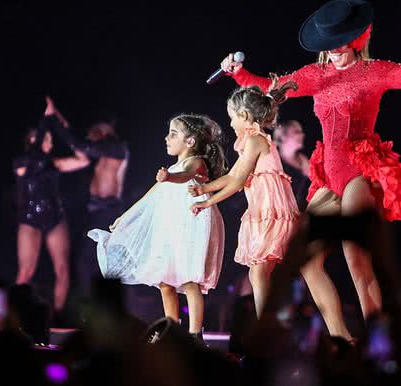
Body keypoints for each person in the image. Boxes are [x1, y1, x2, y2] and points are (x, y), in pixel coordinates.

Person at [219, 0, 401, 339]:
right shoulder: (314, 76)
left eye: (339, 42)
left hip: (361, 170)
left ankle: (379, 345)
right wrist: (240, 73)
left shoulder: (375, 72)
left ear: (355, 38)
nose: (333, 50)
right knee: (304, 258)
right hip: (329, 176)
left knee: (355, 260)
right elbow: (267, 90)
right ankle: (343, 340)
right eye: (327, 44)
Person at [87, 114, 226, 341]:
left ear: (190, 141)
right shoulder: (174, 166)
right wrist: (126, 215)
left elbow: (185, 175)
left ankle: (194, 334)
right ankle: (170, 331)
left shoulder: (195, 162)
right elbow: (151, 195)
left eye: (173, 133)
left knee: (189, 279)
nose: (167, 138)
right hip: (170, 225)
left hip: (191, 223)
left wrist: (170, 176)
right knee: (165, 281)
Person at [190, 81, 300, 317]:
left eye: (232, 117)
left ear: (244, 115)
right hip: (263, 211)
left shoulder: (255, 141)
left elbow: (238, 180)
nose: (230, 123)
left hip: (272, 212)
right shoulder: (253, 141)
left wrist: (208, 201)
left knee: (259, 274)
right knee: (257, 274)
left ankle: (265, 331)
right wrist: (205, 189)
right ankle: (266, 327)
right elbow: (232, 175)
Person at [44, 97, 130, 295]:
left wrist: (54, 121)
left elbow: (81, 144)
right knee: (85, 261)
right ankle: (90, 306)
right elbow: (77, 140)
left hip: (109, 211)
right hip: (94, 210)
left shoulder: (118, 149)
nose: (91, 136)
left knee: (108, 261)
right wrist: (55, 114)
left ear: (105, 130)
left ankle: (110, 307)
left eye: (94, 132)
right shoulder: (102, 150)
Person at [13, 114, 86, 312]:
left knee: (62, 270)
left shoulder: (55, 163)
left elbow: (83, 159)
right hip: (30, 218)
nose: (49, 141)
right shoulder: (21, 163)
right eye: (45, 138)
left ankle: (57, 315)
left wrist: (63, 127)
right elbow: (31, 163)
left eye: (50, 138)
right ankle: (15, 313)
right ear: (32, 141)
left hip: (55, 217)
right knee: (26, 270)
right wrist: (45, 123)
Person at [274, 120, 311, 211]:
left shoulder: (303, 159)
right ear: (283, 137)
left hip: (297, 212)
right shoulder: (274, 160)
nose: (302, 135)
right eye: (297, 132)